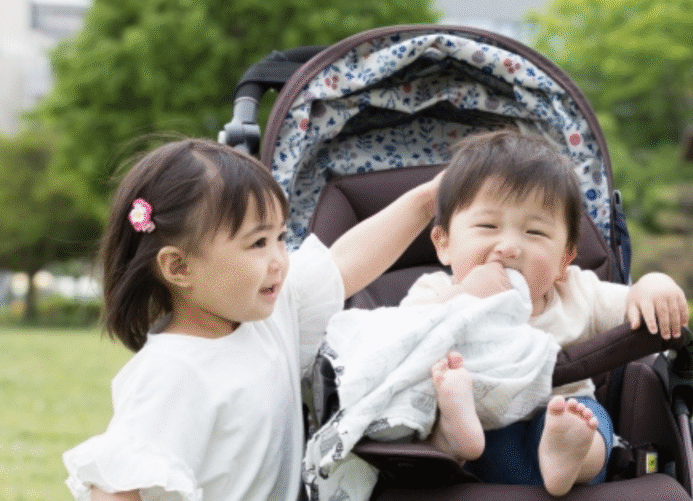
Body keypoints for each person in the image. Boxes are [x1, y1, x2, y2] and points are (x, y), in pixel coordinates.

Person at [63, 139, 440, 501]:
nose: (279, 258)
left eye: (280, 237)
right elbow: (120, 485)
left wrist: (427, 201)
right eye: (258, 243)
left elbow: (344, 264)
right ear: (179, 266)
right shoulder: (171, 373)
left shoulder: (269, 316)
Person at [401, 130, 689, 497]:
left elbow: (636, 304)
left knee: (589, 420)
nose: (508, 247)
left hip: (552, 417)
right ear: (443, 244)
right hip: (470, 431)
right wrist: (463, 296)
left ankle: (571, 456)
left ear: (564, 260)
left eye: (535, 232)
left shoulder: (576, 292)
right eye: (487, 226)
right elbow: (402, 335)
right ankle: (456, 435)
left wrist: (654, 284)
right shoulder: (436, 291)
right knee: (434, 422)